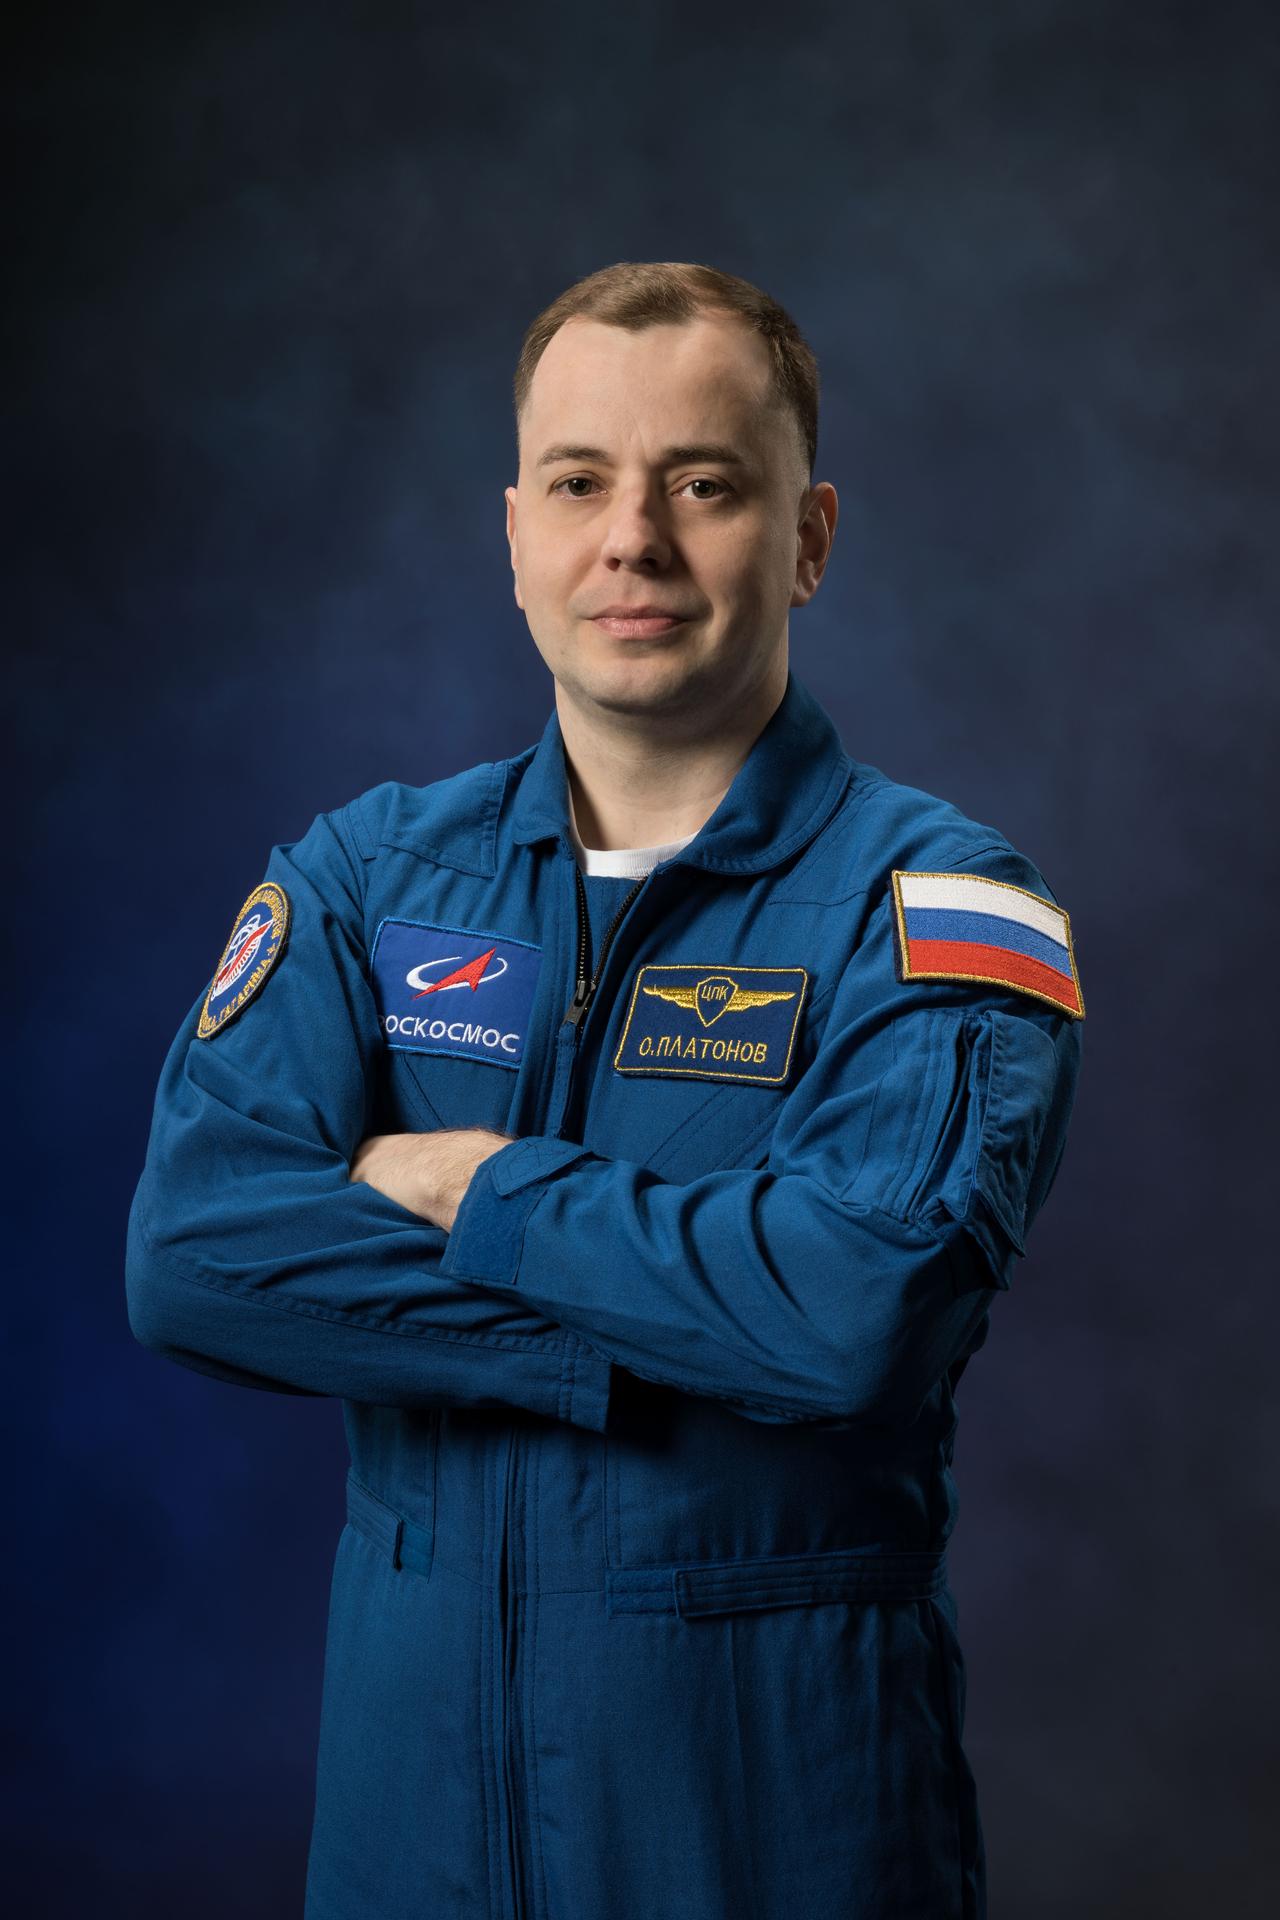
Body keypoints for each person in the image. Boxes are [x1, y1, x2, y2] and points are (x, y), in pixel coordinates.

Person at [127, 260, 1084, 1920]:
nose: (631, 538)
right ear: (515, 534)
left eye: (703, 485)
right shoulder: (363, 876)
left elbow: (853, 1310)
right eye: (579, 483)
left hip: (769, 1833)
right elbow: (197, 1255)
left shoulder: (939, 912)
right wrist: (658, 1333)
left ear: (810, 537)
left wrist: (480, 1190)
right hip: (403, 1837)